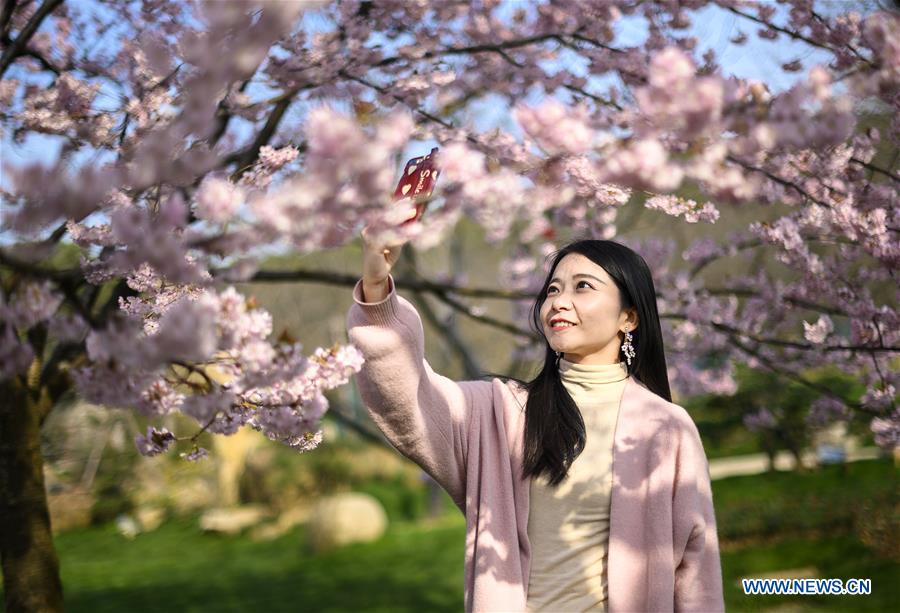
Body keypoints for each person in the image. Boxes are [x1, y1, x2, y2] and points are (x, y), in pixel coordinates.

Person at [346, 227, 725, 613]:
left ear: (628, 317)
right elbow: (407, 399)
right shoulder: (504, 412)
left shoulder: (666, 427)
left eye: (582, 287)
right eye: (553, 290)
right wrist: (377, 291)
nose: (559, 301)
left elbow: (696, 569)